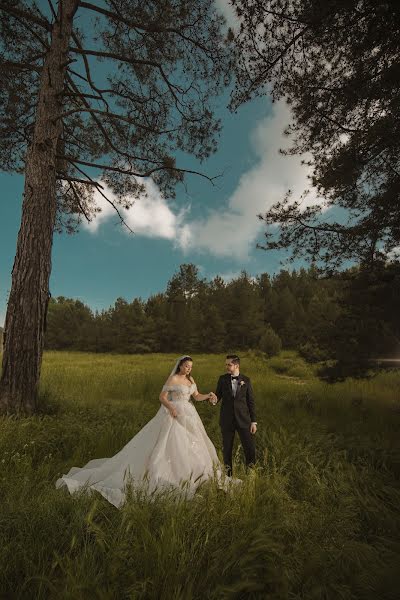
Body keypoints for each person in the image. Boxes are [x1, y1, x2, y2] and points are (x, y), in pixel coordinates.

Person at [55, 356, 222, 508]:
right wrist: (171, 407)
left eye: (190, 367)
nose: (188, 369)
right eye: (186, 366)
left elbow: (197, 395)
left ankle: (193, 474)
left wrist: (207, 396)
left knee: (192, 444)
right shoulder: (174, 379)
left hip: (189, 415)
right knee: (170, 442)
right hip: (174, 414)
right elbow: (162, 397)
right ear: (180, 366)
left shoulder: (190, 379)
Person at [213, 354, 257, 477]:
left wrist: (253, 422)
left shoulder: (246, 380)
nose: (226, 366)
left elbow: (251, 402)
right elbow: (218, 397)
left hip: (244, 420)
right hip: (227, 420)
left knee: (249, 448)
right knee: (227, 449)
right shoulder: (222, 379)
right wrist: (213, 399)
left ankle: (251, 474)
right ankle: (228, 476)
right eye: (226, 364)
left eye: (229, 364)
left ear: (236, 365)